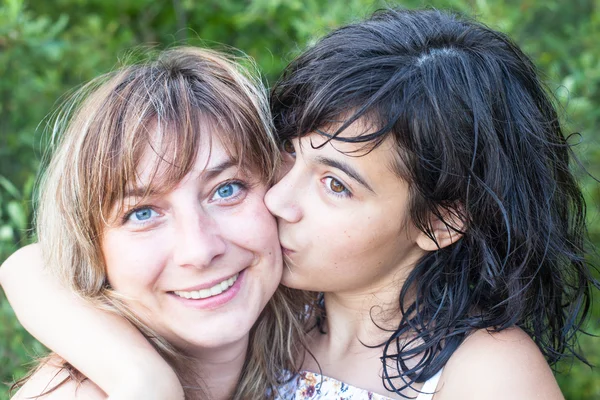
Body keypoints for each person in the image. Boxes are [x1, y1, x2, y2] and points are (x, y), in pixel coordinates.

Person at [2, 8, 596, 400]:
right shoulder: (266, 308)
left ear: (440, 221)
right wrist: (143, 379)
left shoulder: (483, 372)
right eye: (288, 159)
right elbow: (32, 266)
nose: (280, 200)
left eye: (335, 185)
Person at [0, 47, 304, 400]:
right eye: (142, 213)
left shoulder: (323, 330)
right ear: (92, 246)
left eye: (227, 189)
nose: (200, 251)